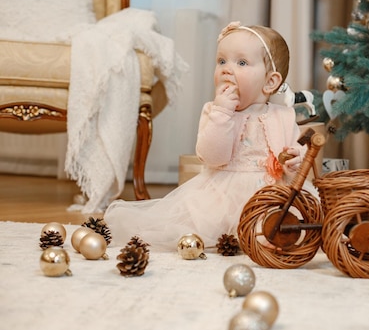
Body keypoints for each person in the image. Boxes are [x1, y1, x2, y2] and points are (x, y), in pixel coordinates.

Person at [104, 21, 306, 250]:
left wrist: (295, 158)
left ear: (270, 81)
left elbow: (297, 151)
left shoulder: (284, 115)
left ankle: (268, 235)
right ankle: (244, 237)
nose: (226, 69)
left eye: (241, 62)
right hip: (221, 196)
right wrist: (223, 113)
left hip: (271, 195)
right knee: (189, 228)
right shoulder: (214, 110)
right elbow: (213, 157)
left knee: (288, 226)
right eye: (221, 61)